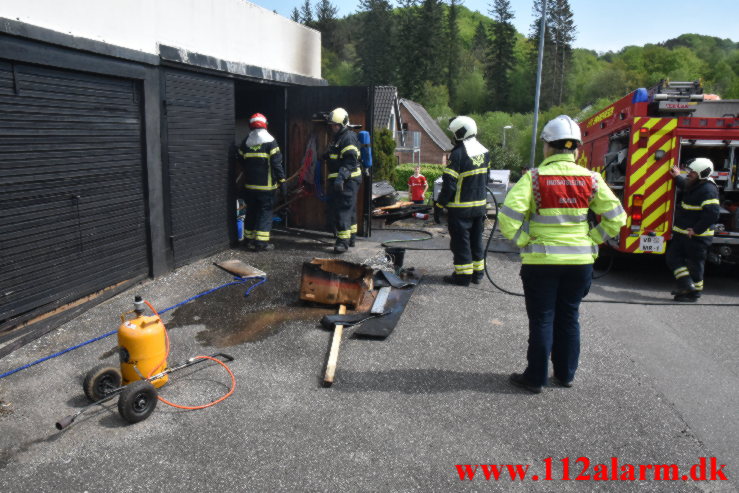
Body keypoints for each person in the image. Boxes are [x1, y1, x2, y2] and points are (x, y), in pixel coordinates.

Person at [498, 115, 626, 393]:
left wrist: (523, 240)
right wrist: (592, 239)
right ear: (577, 149)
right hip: (579, 263)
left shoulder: (533, 178)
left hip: (541, 262)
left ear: (547, 147)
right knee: (569, 316)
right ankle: (565, 374)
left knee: (542, 318)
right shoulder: (591, 179)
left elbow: (507, 218)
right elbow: (617, 217)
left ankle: (535, 378)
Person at [435, 116, 490, 286]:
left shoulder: (458, 154)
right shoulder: (484, 151)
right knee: (476, 241)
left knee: (461, 243)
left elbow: (449, 185)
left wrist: (439, 204)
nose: (452, 137)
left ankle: (463, 276)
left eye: (454, 133)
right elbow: (486, 179)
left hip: (460, 210)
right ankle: (478, 273)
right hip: (479, 207)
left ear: (460, 132)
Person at [665, 158, 720, 302]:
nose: (689, 174)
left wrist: (696, 230)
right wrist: (677, 176)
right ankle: (687, 286)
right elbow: (685, 185)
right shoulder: (697, 184)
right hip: (684, 234)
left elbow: (712, 213)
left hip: (697, 237)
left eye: (693, 173)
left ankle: (693, 293)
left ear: (702, 174)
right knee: (673, 258)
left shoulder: (708, 190)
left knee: (695, 265)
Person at [236, 113, 285, 251]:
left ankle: (248, 240)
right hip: (266, 188)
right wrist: (283, 181)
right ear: (265, 125)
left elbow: (240, 159)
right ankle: (261, 243)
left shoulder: (246, 142)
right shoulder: (271, 142)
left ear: (251, 126)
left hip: (250, 187)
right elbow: (277, 164)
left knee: (251, 212)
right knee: (265, 213)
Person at [325, 107, 362, 253]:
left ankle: (342, 242)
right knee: (349, 209)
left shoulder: (348, 138)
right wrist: (326, 155)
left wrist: (340, 178)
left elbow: (350, 161)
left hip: (348, 180)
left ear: (343, 124)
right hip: (346, 180)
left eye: (335, 125)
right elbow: (337, 155)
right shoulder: (339, 137)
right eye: (332, 125)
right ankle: (351, 238)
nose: (333, 127)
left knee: (342, 210)